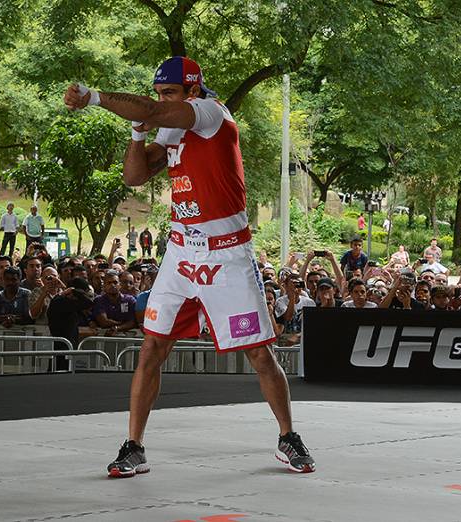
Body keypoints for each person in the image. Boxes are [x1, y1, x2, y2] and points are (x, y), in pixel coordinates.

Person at [65, 56, 315, 476]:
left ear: (192, 92)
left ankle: (288, 436)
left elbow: (150, 109)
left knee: (258, 351)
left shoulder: (210, 113)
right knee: (151, 348)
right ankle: (134, 446)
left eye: (170, 93)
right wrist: (134, 133)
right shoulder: (170, 128)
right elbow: (134, 177)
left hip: (227, 253)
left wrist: (93, 98)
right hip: (182, 252)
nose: (162, 100)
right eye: (159, 92)